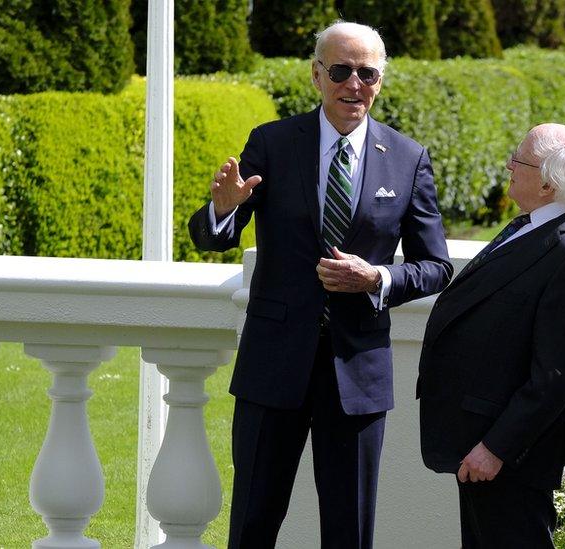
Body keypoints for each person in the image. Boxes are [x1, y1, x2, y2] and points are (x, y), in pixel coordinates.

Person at [188, 21, 452, 548]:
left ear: (380, 82)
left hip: (357, 375)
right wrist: (222, 209)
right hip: (273, 366)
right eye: (341, 71)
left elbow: (435, 266)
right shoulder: (273, 143)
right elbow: (213, 237)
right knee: (252, 524)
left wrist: (375, 277)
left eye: (367, 73)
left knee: (349, 531)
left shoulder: (407, 158)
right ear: (316, 75)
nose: (354, 84)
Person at [418, 123, 565, 548]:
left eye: (519, 160)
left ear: (547, 184)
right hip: (482, 438)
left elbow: (556, 376)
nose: (509, 165)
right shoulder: (536, 226)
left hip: (509, 454)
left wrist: (496, 448)